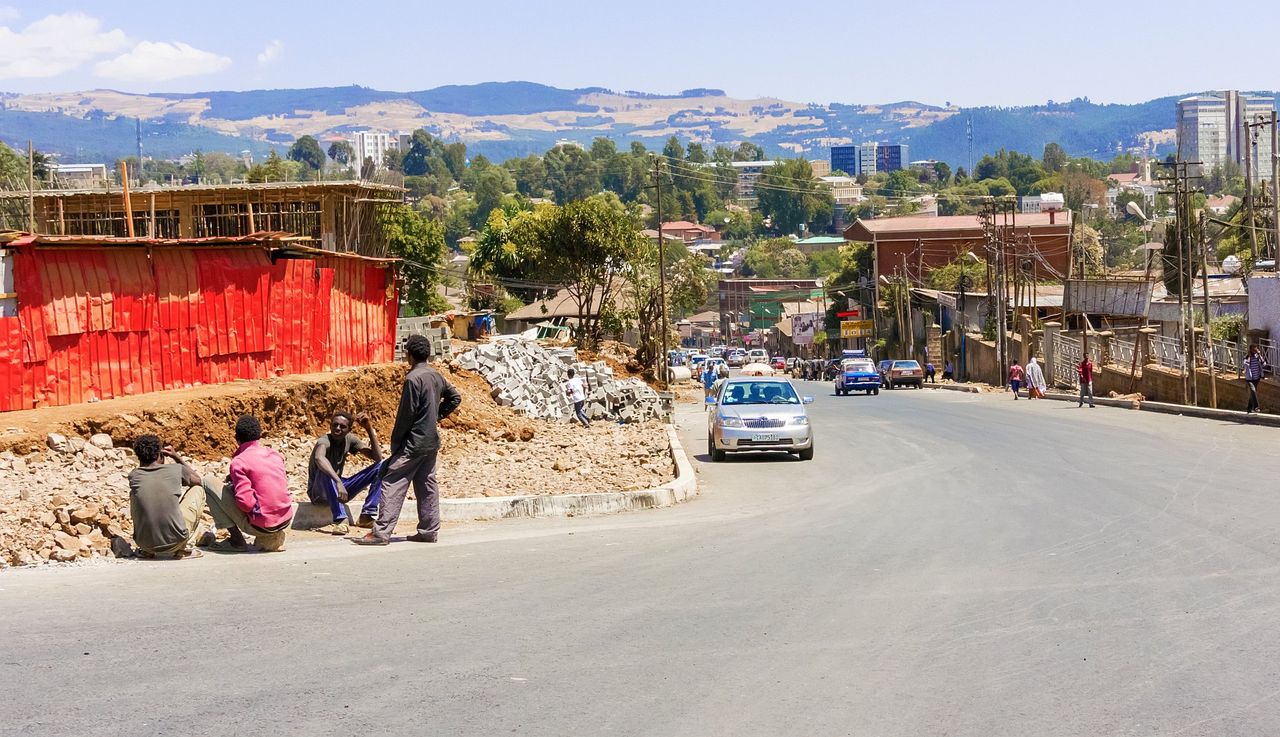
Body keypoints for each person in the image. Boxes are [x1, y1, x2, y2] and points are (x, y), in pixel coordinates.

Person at [355, 334, 462, 546]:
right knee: (426, 485)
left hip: (412, 443)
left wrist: (396, 443)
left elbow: (406, 416)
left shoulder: (413, 379)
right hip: (430, 442)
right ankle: (429, 530)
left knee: (392, 480)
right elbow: (455, 398)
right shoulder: (436, 375)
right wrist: (436, 416)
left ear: (409, 355)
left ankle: (380, 532)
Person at [204, 415, 294, 552]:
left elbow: (246, 504)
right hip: (286, 519)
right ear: (259, 435)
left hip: (263, 526)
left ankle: (236, 541)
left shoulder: (239, 462)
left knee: (207, 482)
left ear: (237, 438)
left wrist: (234, 489)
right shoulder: (274, 454)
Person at [127, 435, 207, 560]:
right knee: (198, 490)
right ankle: (184, 548)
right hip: (177, 541)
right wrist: (176, 457)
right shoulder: (176, 469)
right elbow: (198, 481)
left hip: (145, 544)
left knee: (134, 495)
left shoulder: (134, 475)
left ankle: (147, 551)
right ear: (161, 454)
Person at [307, 411, 385, 536]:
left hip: (339, 488)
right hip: (319, 492)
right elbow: (319, 458)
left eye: (342, 426)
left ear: (349, 429)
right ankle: (341, 519)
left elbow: (377, 458)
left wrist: (369, 429)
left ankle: (367, 515)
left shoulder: (349, 439)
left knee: (382, 466)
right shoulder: (324, 440)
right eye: (335, 425)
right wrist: (338, 481)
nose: (337, 428)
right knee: (324, 469)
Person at [1243, 344, 1268, 413]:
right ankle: (1256, 407)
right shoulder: (1247, 357)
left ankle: (1249, 408)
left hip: (1257, 378)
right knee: (1253, 391)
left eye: (1256, 349)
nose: (1255, 351)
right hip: (1249, 379)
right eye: (1253, 350)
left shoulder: (1258, 357)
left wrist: (1259, 355)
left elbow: (1264, 364)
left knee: (1252, 393)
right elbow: (1245, 364)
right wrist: (1249, 357)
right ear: (1250, 350)